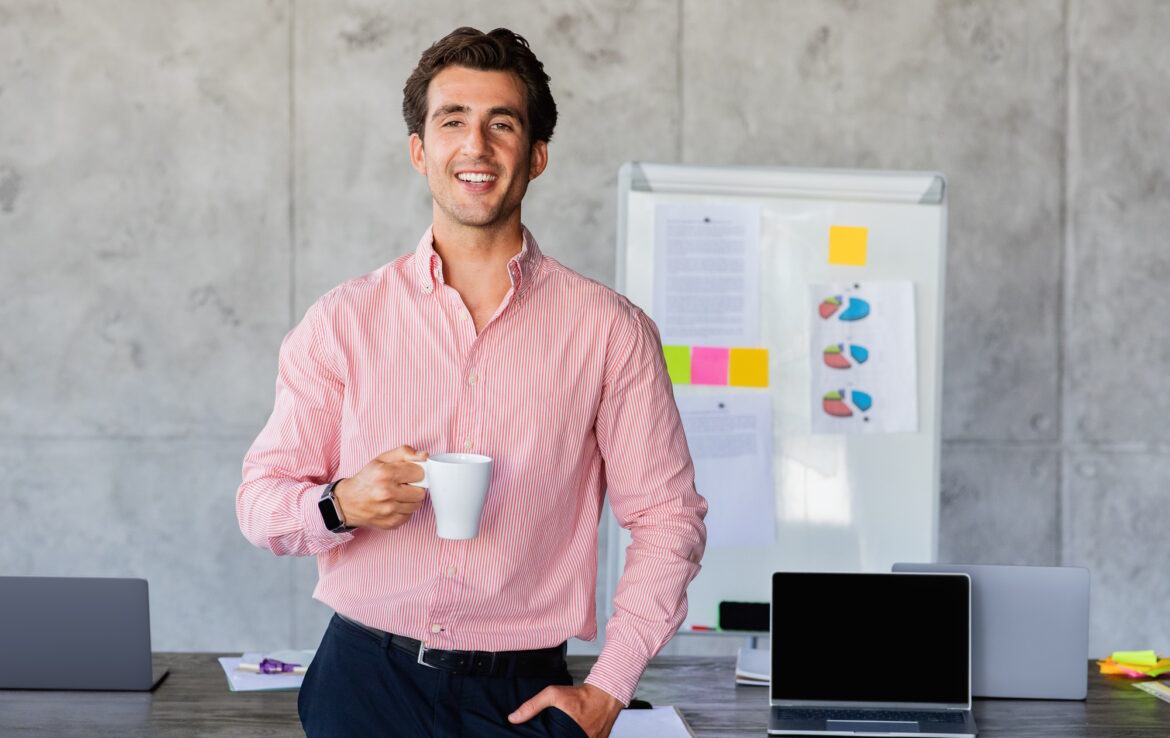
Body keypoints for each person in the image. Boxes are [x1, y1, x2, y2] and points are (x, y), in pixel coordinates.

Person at [236, 26, 707, 738]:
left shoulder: (611, 331)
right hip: (363, 686)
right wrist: (341, 505)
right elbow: (260, 500)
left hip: (522, 698)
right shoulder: (343, 320)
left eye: (502, 124)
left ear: (537, 155)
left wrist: (609, 688)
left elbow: (669, 521)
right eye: (452, 121)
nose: (476, 146)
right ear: (420, 150)